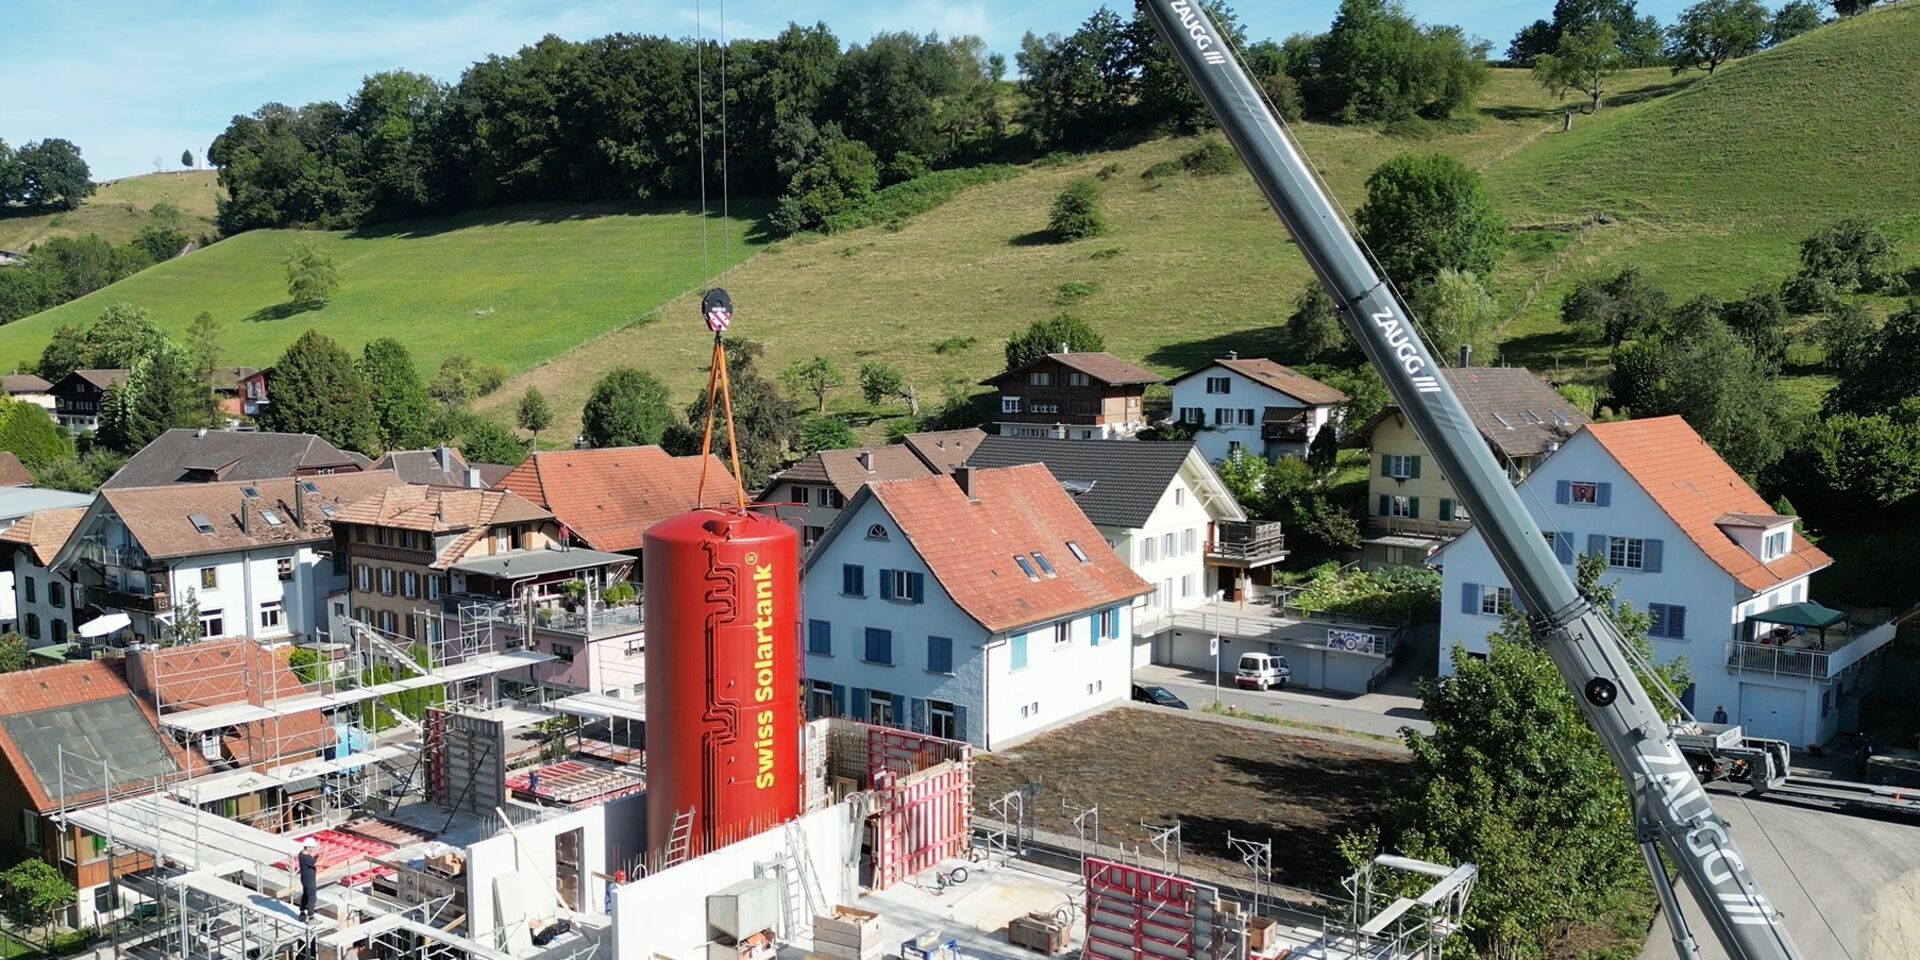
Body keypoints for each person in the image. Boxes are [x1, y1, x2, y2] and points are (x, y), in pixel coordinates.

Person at [297, 838, 320, 922]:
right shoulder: (306, 857)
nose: (314, 849)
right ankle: (311, 917)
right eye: (313, 848)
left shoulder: (301, 854)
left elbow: (311, 861)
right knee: (312, 898)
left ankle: (302, 912)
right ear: (308, 847)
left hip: (304, 879)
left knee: (305, 895)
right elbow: (318, 863)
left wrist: (315, 857)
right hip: (309, 880)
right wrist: (324, 854)